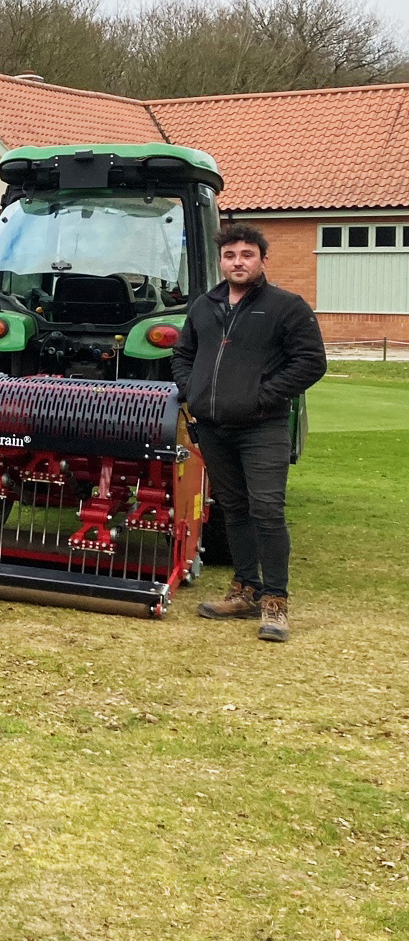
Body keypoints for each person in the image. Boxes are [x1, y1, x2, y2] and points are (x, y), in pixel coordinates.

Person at [174, 222, 327, 641]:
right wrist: (193, 391)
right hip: (214, 427)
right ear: (221, 261)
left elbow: (311, 362)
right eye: (230, 255)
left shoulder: (286, 306)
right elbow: (184, 353)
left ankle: (275, 601)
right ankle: (244, 589)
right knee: (234, 509)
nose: (237, 262)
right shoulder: (205, 306)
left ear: (261, 260)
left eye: (247, 255)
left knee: (267, 510)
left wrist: (262, 396)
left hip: (262, 427)